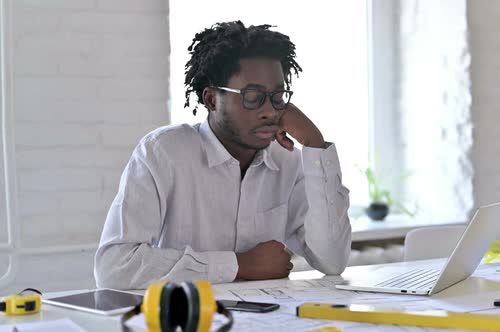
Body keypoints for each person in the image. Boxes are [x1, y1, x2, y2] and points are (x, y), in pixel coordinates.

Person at [94, 21, 351, 289]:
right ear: (212, 99)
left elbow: (332, 261)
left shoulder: (289, 161)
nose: (270, 111)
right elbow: (115, 267)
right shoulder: (162, 153)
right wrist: (240, 265)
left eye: (277, 96)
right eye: (253, 96)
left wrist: (315, 143)